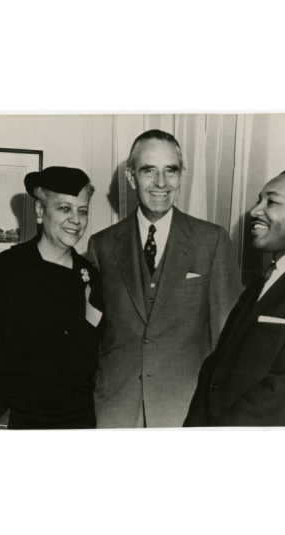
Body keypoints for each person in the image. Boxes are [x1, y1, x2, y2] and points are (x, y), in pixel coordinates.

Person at [87, 129, 241, 428]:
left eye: (170, 170)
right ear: (131, 178)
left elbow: (226, 336)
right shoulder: (102, 245)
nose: (161, 183)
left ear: (181, 176)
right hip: (116, 407)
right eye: (149, 171)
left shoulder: (211, 240)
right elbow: (92, 337)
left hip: (184, 406)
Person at [184, 168, 285, 427]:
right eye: (259, 200)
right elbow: (215, 371)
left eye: (271, 201)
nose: (255, 211)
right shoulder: (258, 286)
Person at [0, 166, 102, 429]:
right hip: (16, 418)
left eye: (83, 210)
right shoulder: (7, 269)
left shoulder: (90, 275)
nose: (76, 220)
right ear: (40, 212)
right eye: (64, 208)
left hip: (77, 417)